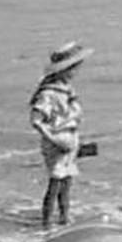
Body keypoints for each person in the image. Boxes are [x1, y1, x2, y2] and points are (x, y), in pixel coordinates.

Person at [29, 41, 91, 229]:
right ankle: (46, 221)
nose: (75, 72)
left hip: (69, 137)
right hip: (57, 140)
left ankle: (64, 216)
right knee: (55, 182)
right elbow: (36, 119)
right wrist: (52, 137)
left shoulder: (66, 90)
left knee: (67, 182)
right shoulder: (49, 93)